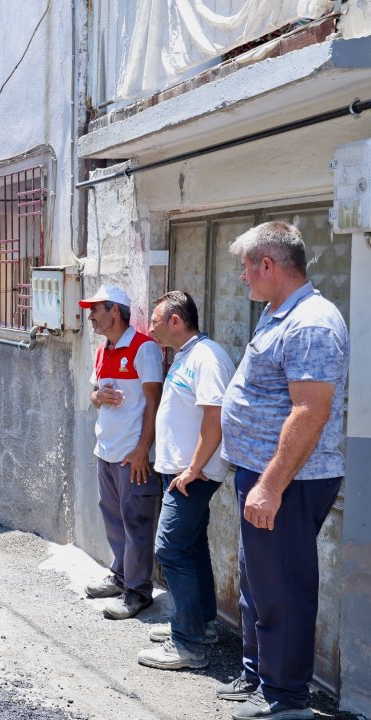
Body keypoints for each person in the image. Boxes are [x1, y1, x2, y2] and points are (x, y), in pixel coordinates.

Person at [215, 222, 348, 720]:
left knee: (283, 588)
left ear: (268, 265)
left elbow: (310, 411)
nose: (242, 278)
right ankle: (259, 676)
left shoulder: (311, 321)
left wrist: (270, 485)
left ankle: (286, 699)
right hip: (264, 472)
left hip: (289, 480)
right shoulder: (278, 313)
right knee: (259, 582)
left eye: (246, 267)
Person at [136, 291, 235, 672]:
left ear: (176, 321)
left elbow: (215, 417)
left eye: (157, 320)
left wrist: (193, 469)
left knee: (170, 550)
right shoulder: (186, 356)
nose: (151, 327)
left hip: (192, 475)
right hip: (182, 471)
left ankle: (187, 644)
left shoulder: (207, 358)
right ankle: (202, 624)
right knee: (191, 548)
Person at [81, 285, 164, 620]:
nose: (90, 317)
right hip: (107, 450)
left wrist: (143, 449)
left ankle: (139, 592)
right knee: (113, 517)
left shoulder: (144, 348)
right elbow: (93, 395)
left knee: (137, 522)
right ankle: (120, 577)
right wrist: (99, 397)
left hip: (133, 455)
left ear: (115, 311)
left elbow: (155, 403)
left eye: (95, 310)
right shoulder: (103, 349)